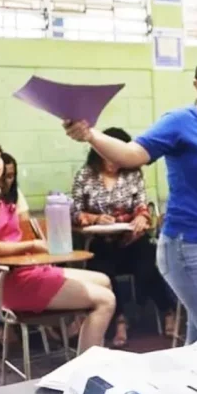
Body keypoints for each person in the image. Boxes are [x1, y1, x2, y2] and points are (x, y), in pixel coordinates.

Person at [64, 51, 197, 344]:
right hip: (190, 247)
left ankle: (187, 389)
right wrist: (90, 135)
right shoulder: (180, 122)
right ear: (196, 82)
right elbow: (132, 154)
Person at [0, 136, 116, 353]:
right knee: (106, 300)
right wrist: (32, 245)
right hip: (14, 282)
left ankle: (81, 342)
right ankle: (84, 368)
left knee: (104, 281)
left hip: (24, 273)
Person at [71, 127, 176, 347]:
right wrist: (96, 219)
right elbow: (75, 212)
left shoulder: (133, 174)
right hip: (99, 242)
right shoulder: (85, 175)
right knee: (103, 271)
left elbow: (141, 206)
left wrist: (141, 218)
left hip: (131, 240)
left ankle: (168, 311)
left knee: (148, 263)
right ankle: (120, 321)